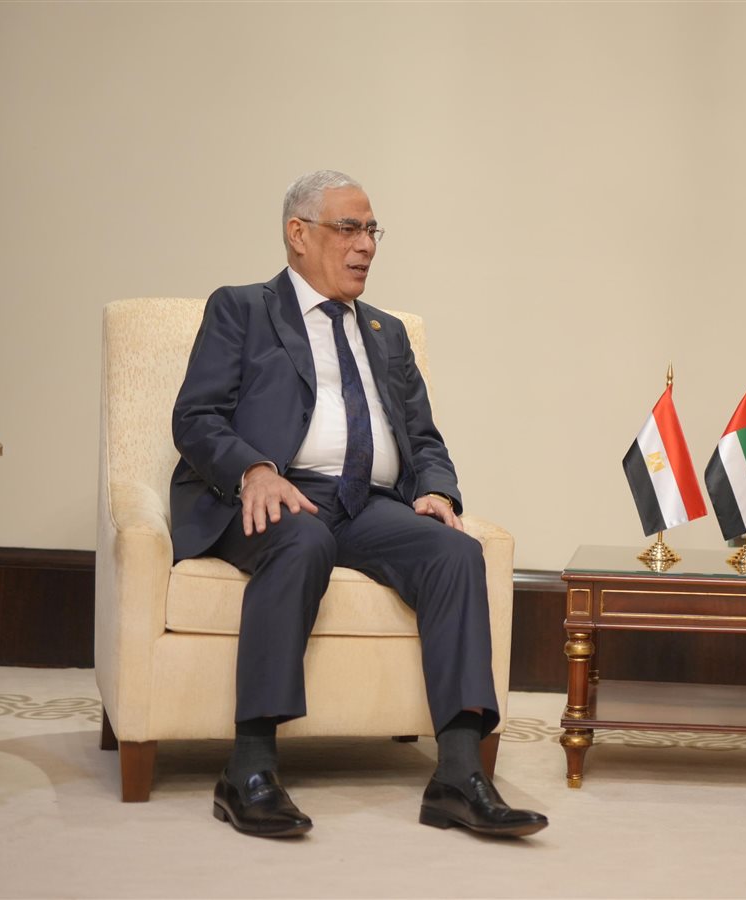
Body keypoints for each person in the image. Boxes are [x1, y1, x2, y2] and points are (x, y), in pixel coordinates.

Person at [171, 170, 546, 839]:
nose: (366, 245)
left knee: (457, 553)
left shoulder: (387, 332)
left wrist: (436, 490)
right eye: (349, 228)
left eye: (372, 230)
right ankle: (249, 768)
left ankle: (458, 775)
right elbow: (196, 417)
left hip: (367, 502)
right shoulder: (242, 308)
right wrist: (253, 470)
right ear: (298, 234)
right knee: (302, 540)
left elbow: (423, 438)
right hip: (274, 494)